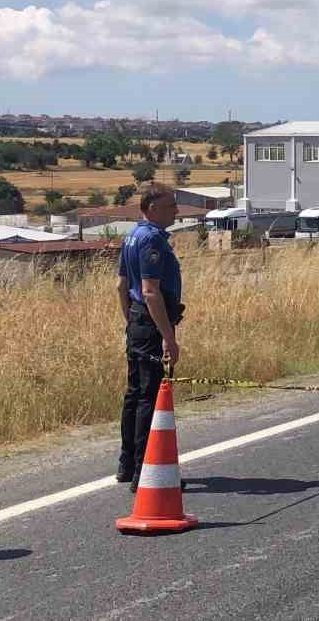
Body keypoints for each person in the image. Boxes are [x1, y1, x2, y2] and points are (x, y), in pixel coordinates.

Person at [117, 184, 183, 490]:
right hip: (150, 321)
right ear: (153, 208)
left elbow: (120, 287)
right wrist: (168, 337)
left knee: (134, 393)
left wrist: (129, 322)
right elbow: (149, 291)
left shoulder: (131, 235)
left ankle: (127, 463)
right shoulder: (152, 238)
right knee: (149, 396)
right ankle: (144, 470)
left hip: (137, 321)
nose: (177, 211)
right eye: (171, 206)